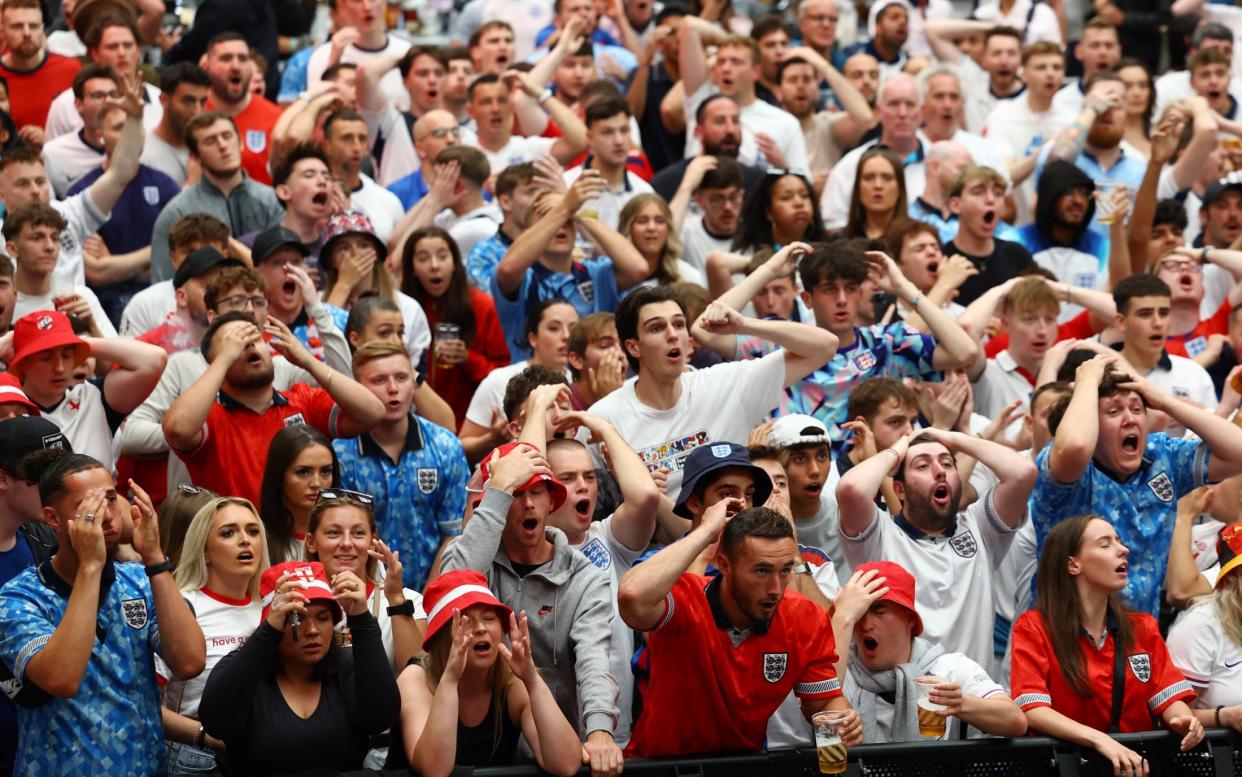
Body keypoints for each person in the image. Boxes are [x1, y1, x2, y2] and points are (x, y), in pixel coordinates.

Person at [0, 452, 206, 775]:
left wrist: (153, 557)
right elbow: (61, 679)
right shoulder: (19, 596)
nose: (108, 516)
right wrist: (91, 567)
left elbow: (190, 662)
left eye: (111, 499)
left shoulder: (140, 580)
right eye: (89, 506)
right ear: (53, 519)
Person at [618, 500, 861, 757]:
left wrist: (843, 719)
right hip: (662, 766)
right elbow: (632, 596)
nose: (776, 589)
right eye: (762, 571)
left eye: (785, 570)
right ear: (724, 565)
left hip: (743, 766)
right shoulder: (684, 600)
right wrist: (705, 532)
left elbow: (822, 704)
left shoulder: (806, 618)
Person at [440, 443, 623, 775]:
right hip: (479, 756)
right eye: (515, 493)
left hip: (554, 753)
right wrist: (497, 489)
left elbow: (594, 661)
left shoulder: (585, 578)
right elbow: (452, 589)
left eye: (537, 492)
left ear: (552, 502)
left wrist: (599, 733)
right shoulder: (473, 557)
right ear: (493, 504)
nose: (527, 504)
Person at [595, 262, 838, 495]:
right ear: (633, 347)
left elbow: (825, 346)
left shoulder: (726, 384)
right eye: (656, 328)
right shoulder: (605, 418)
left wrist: (745, 324)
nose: (673, 335)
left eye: (679, 325)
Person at [1033, 355, 1242, 616]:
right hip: (1063, 638)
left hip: (1140, 641)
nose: (1129, 419)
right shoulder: (1065, 469)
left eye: (1136, 408)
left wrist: (1164, 401)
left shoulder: (1162, 455)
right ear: (1092, 424)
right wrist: (1087, 380)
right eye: (1113, 411)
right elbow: (1074, 444)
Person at [1010, 515, 1204, 774]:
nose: (1124, 549)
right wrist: (1100, 740)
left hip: (1136, 768)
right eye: (1105, 544)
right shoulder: (1033, 627)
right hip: (1064, 768)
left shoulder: (1142, 627)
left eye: (1119, 541)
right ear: (1073, 564)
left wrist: (1184, 720)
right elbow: (1032, 709)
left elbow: (1168, 698)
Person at [836, 428, 1038, 667]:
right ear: (899, 489)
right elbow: (851, 489)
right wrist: (897, 450)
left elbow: (1023, 473)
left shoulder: (981, 528)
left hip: (975, 698)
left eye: (947, 463)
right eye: (922, 466)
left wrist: (953, 439)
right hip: (900, 699)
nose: (940, 471)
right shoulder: (880, 536)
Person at [198, 560, 401, 775]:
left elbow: (380, 717)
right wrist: (267, 634)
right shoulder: (243, 667)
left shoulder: (346, 664)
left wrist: (361, 620)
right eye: (297, 618)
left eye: (323, 618)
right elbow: (216, 722)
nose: (312, 630)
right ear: (274, 623)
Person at [163, 311, 385, 506]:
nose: (249, 345)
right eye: (235, 342)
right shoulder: (210, 417)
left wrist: (307, 360)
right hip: (239, 544)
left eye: (255, 338)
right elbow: (177, 429)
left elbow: (373, 412)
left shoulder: (302, 400)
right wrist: (223, 361)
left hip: (303, 546)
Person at [392, 569, 584, 775]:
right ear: (441, 636)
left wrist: (533, 681)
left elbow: (566, 764)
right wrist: (449, 680)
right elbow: (434, 770)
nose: (481, 628)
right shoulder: (416, 679)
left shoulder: (514, 683)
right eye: (465, 620)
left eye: (489, 617)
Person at [334, 341, 471, 590]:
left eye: (401, 377)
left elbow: (455, 534)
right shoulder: (340, 453)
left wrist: (429, 601)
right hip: (361, 597)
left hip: (433, 593)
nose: (393, 388)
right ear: (357, 388)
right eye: (379, 380)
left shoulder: (445, 446)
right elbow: (339, 539)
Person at [838, 560, 1026, 742]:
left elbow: (1015, 721)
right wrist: (842, 615)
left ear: (910, 619)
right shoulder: (841, 671)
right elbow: (820, 701)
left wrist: (959, 703)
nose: (865, 624)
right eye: (858, 612)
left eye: (878, 610)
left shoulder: (950, 669)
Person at [162, 496, 269, 776]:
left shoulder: (272, 606)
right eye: (228, 532)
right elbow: (144, 704)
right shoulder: (182, 606)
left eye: (253, 531)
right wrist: (204, 736)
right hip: (197, 755)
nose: (245, 540)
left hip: (263, 749)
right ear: (204, 550)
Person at [492, 177, 647, 361]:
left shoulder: (595, 273)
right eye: (550, 220)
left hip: (594, 382)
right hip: (532, 382)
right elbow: (508, 269)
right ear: (530, 233)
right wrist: (564, 208)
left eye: (568, 220)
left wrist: (578, 211)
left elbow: (638, 268)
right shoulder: (522, 276)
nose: (561, 226)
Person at [66, 100, 181, 325]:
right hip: (103, 304)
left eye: (135, 126)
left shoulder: (165, 184)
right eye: (119, 127)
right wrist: (155, 254)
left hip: (162, 295)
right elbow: (97, 273)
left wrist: (118, 264)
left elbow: (182, 255)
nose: (131, 134)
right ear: (100, 135)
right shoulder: (83, 192)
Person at [9, 308, 165, 466]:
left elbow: (155, 360)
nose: (60, 368)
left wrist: (80, 343)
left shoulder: (93, 396)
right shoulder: (9, 408)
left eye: (67, 355)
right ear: (23, 363)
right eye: (46, 358)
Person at [149, 111, 284, 282]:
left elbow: (284, 271)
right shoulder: (178, 212)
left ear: (241, 142)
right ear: (195, 157)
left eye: (227, 136)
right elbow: (163, 283)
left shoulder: (272, 201)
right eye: (210, 141)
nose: (222, 145)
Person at [0, 416, 65, 774]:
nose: (59, 486)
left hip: (42, 746)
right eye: (43, 475)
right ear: (2, 478)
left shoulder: (48, 541)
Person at [302, 487, 426, 670]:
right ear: (311, 542)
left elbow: (417, 674)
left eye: (358, 533)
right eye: (333, 533)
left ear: (372, 542)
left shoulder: (408, 600)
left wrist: (396, 599)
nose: (346, 543)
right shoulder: (298, 601)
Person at [401, 227, 508, 427]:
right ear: (412, 269)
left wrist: (468, 359)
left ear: (455, 264)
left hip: (468, 423)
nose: (434, 266)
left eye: (442, 257)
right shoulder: (403, 308)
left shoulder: (482, 306)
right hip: (410, 420)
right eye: (423, 258)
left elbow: (503, 375)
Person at [460, 298, 577, 461]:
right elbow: (461, 447)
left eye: (574, 329)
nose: (566, 336)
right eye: (554, 328)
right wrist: (491, 440)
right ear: (533, 338)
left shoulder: (580, 384)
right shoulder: (499, 381)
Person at [319, 210, 433, 367]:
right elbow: (316, 351)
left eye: (364, 245)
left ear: (377, 254)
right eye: (343, 248)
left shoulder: (408, 306)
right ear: (331, 260)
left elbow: (415, 369)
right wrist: (343, 286)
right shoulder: (316, 302)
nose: (355, 254)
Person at [942, 166, 1037, 305]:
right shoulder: (943, 260)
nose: (991, 199)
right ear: (956, 204)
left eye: (998, 193)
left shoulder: (1017, 255)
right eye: (978, 192)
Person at [201, 33, 282, 185]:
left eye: (243, 59)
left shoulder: (276, 118)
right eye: (226, 59)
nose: (236, 66)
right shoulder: (194, 112)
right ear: (206, 66)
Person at [258, 425, 339, 565]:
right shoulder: (255, 541)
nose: (316, 483)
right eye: (303, 472)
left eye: (325, 471)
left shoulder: (352, 539)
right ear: (278, 476)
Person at [0, 0, 81, 131]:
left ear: (42, 27)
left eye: (33, 26)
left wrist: (50, 142)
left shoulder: (71, 70)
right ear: (3, 29)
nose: (27, 33)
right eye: (17, 26)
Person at [466, 161, 538, 290]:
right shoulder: (483, 254)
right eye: (531, 192)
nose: (540, 199)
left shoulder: (560, 244)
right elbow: (496, 303)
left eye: (545, 192)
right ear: (506, 202)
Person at [141, 63, 211, 187]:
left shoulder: (212, 149)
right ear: (164, 100)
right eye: (188, 101)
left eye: (203, 102)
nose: (197, 110)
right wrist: (192, 185)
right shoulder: (142, 155)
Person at [618, 193, 705, 288]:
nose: (651, 228)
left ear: (669, 228)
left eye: (659, 221)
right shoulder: (609, 275)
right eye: (642, 221)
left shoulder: (688, 276)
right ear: (627, 227)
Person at [732, 171, 825, 255]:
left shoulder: (825, 254)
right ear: (769, 212)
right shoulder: (748, 256)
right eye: (786, 197)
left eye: (804, 195)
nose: (799, 203)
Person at [842, 146, 907, 240]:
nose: (878, 185)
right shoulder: (841, 241)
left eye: (887, 178)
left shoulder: (917, 238)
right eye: (869, 178)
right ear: (858, 187)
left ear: (900, 188)